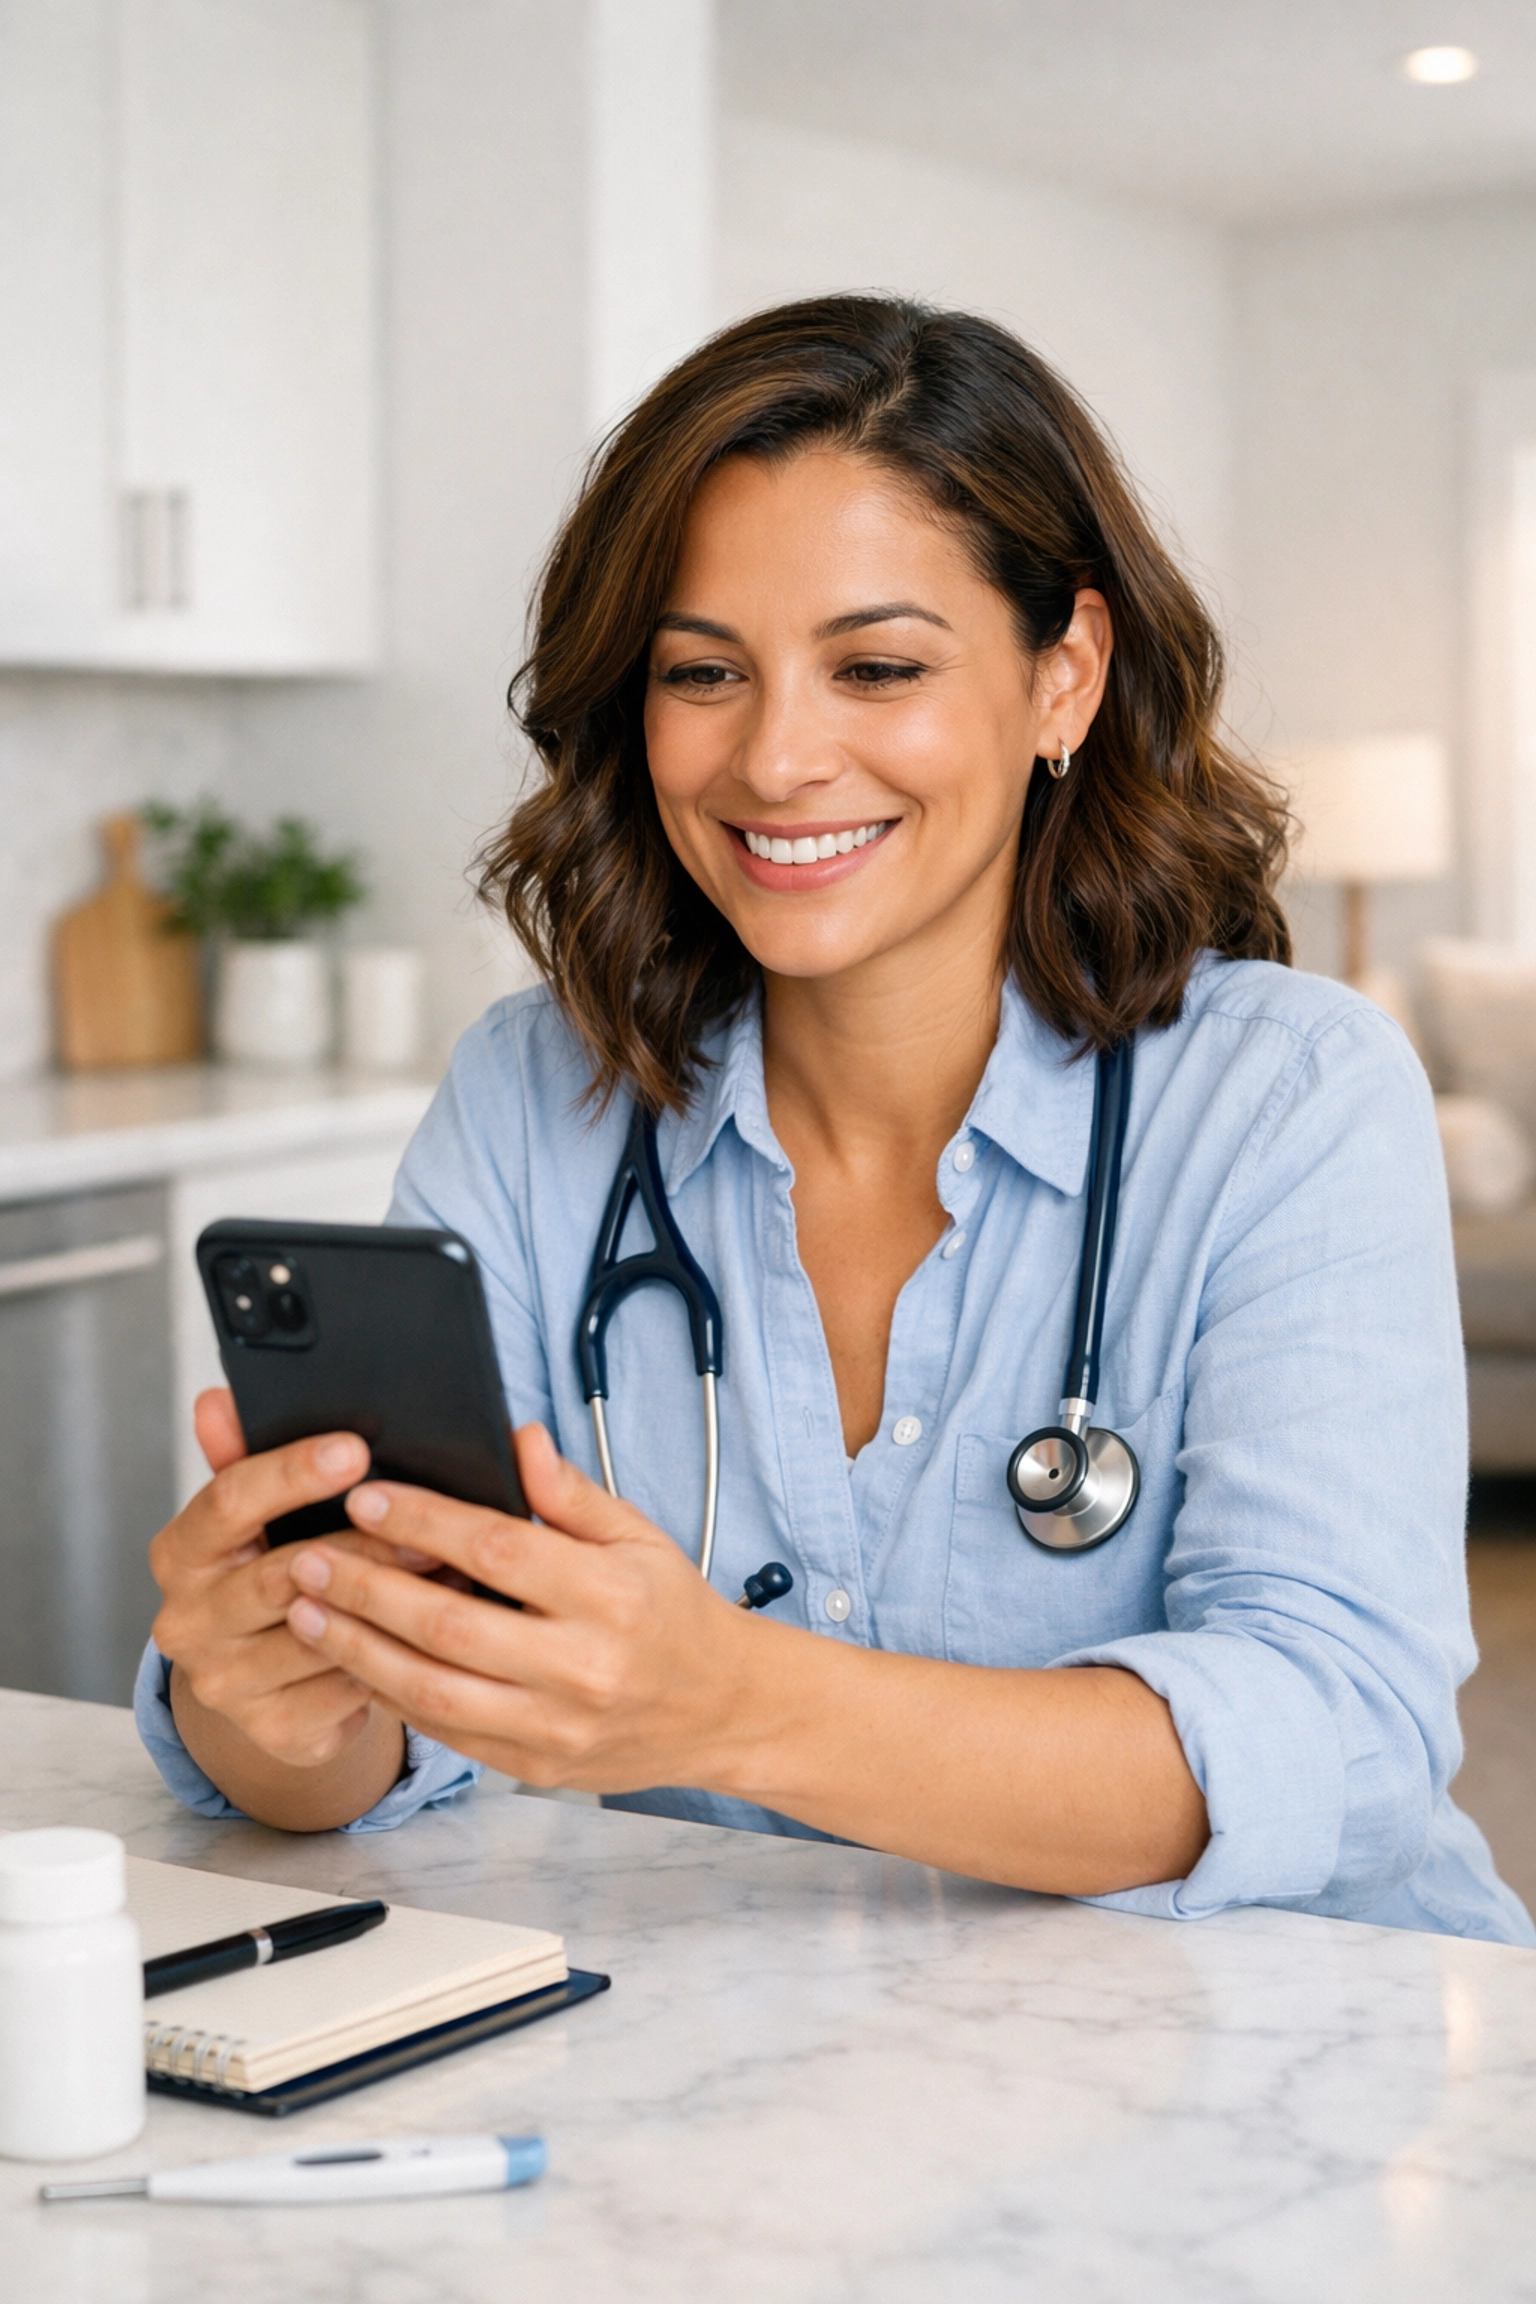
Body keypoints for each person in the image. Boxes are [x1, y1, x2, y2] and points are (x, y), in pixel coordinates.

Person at [138, 296, 1532, 1941]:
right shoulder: (538, 1098)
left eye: (876, 667)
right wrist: (281, 1695)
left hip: (1274, 2089)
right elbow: (364, 1752)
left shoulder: (1287, 1096)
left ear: (1063, 676)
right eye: (703, 672)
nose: (779, 756)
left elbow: (1339, 1739)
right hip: (761, 2098)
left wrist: (727, 1700)